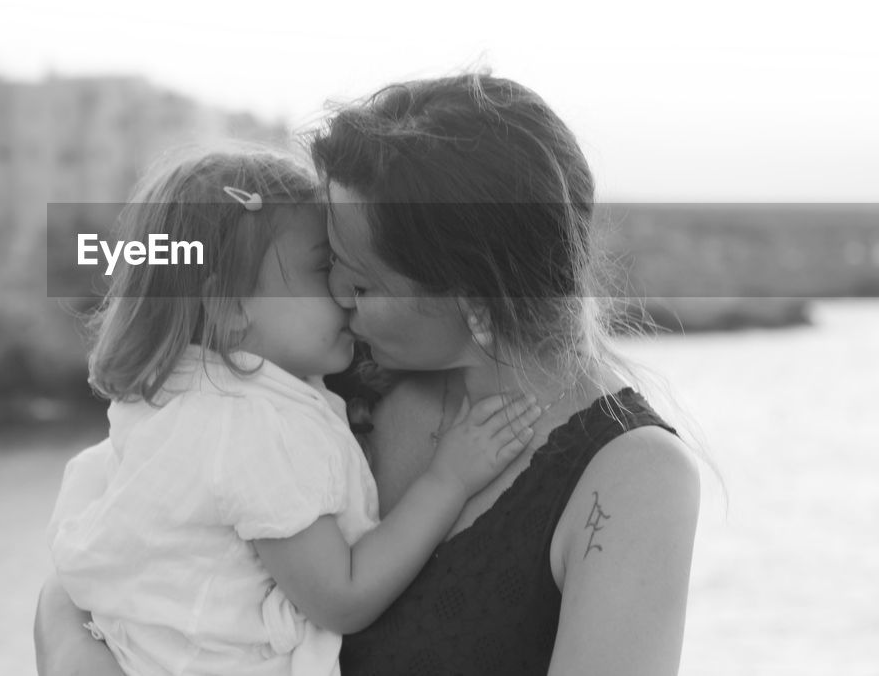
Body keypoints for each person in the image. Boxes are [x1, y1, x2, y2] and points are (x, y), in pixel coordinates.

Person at [36, 74, 702, 676]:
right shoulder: (331, 381)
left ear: (472, 298)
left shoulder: (631, 477)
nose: (338, 300)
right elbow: (105, 551)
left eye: (359, 280)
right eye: (329, 272)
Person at [46, 148, 540, 676]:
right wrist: (448, 479)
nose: (344, 288)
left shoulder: (174, 398)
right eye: (324, 266)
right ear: (231, 306)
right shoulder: (255, 429)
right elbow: (342, 597)